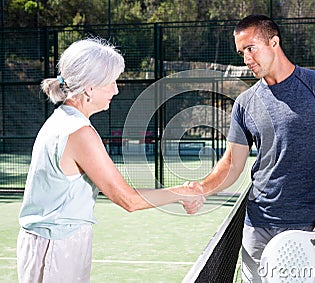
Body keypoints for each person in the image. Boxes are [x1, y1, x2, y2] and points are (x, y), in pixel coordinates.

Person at [189, 15, 315, 282]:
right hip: (257, 226)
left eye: (251, 48)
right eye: (241, 52)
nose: (246, 59)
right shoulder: (245, 103)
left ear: (274, 42)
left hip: (311, 229)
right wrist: (201, 188)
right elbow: (231, 164)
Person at [17, 38, 205, 283]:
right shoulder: (78, 132)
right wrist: (182, 192)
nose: (116, 90)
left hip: (51, 243)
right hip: (57, 247)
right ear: (89, 87)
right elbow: (127, 200)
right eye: (111, 82)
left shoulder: (62, 120)